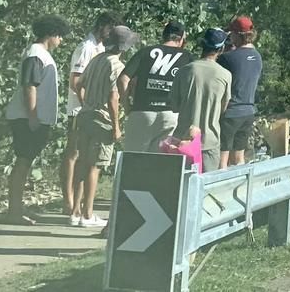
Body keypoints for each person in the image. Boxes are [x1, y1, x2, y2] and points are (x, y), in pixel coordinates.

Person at [3, 15, 71, 225]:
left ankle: (18, 206)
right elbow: (29, 86)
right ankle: (14, 210)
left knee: (26, 161)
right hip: (27, 117)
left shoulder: (41, 54)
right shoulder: (35, 54)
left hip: (35, 117)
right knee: (22, 162)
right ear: (52, 34)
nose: (61, 41)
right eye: (60, 36)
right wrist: (33, 116)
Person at [69, 26, 139, 227]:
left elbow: (79, 84)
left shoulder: (96, 59)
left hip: (85, 115)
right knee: (95, 166)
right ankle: (88, 214)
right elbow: (113, 97)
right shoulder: (116, 65)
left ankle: (75, 212)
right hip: (103, 119)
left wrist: (86, 104)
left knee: (82, 162)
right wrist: (116, 125)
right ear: (124, 47)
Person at [60, 12, 120, 215]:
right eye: (110, 29)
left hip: (89, 111)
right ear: (103, 26)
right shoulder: (86, 47)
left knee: (85, 157)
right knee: (74, 153)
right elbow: (76, 82)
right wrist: (90, 105)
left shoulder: (101, 48)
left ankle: (78, 205)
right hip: (80, 109)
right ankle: (68, 202)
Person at [117, 21, 192, 153]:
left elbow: (123, 79)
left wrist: (127, 105)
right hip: (170, 115)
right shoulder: (187, 57)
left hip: (141, 111)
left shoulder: (145, 52)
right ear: (180, 39)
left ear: (164, 36)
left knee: (132, 161)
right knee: (158, 165)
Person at [169, 28, 231, 172]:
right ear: (221, 49)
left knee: (180, 188)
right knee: (207, 190)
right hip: (209, 142)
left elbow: (174, 106)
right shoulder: (225, 75)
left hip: (183, 141)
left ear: (202, 45)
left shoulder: (184, 71)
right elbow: (223, 107)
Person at [218, 16, 263, 169]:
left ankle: (219, 190)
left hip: (230, 112)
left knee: (222, 158)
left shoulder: (226, 58)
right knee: (239, 157)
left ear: (238, 34)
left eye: (232, 34)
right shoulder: (257, 57)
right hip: (248, 112)